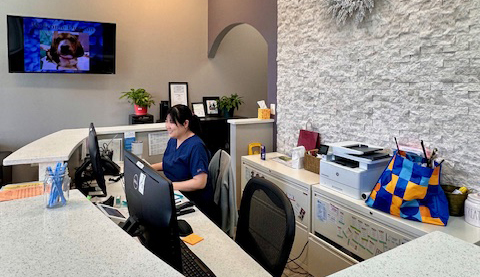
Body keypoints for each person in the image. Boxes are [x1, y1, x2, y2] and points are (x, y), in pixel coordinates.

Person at [151, 104, 218, 220]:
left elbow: (200, 182)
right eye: (166, 121)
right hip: (177, 194)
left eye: (171, 122)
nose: (167, 126)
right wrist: (148, 167)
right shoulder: (173, 140)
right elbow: (172, 164)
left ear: (185, 124)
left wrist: (168, 187)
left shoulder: (196, 147)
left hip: (194, 203)